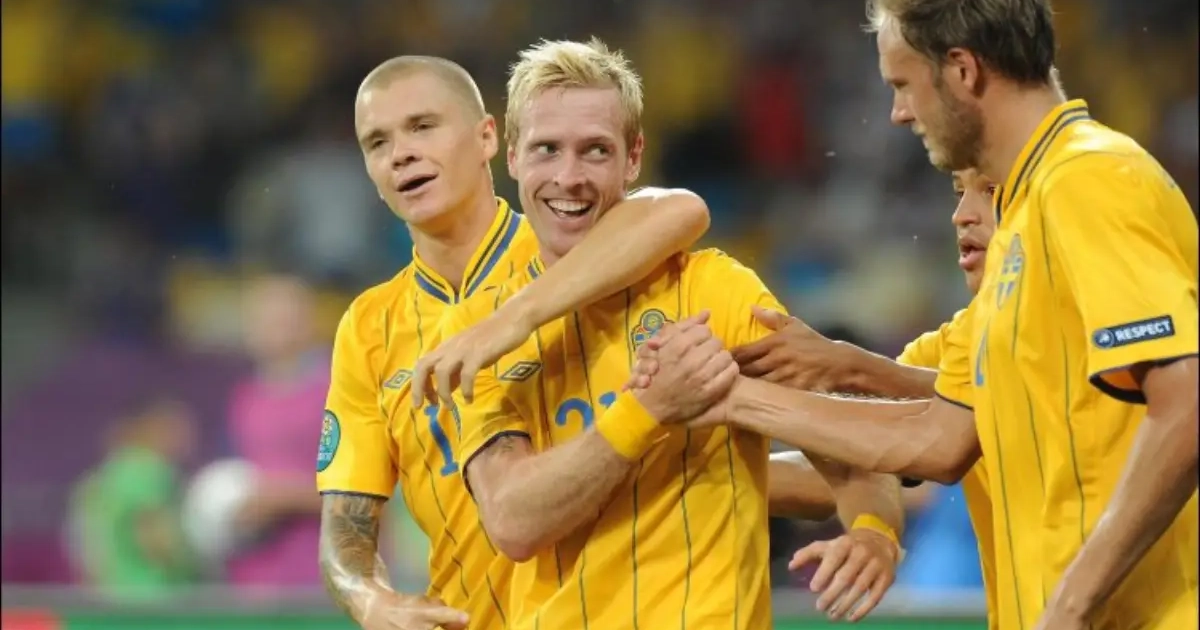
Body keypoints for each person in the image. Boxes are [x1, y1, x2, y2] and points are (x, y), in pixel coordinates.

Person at [638, 2, 1199, 629]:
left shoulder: (1087, 177)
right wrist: (740, 404)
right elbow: (942, 437)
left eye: (903, 84)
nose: (899, 112)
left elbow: (1187, 400)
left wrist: (1070, 605)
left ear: (961, 70)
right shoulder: (1025, 219)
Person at [432, 38, 903, 630]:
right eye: (547, 149)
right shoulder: (478, 330)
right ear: (512, 158)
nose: (569, 177)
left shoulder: (714, 288)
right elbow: (514, 522)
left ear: (633, 159)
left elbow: (851, 451)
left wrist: (874, 532)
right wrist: (649, 409)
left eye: (596, 151)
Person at [315, 56, 712, 630]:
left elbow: (678, 209)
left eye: (423, 127)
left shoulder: (575, 247)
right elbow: (345, 523)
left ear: (488, 139)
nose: (400, 153)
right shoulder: (368, 327)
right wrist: (369, 598)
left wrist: (512, 320)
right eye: (378, 142)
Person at [731, 169, 1000, 627]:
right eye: (958, 193)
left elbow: (949, 435)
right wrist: (680, 478)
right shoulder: (960, 340)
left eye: (990, 192)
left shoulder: (1071, 321)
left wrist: (743, 397)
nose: (961, 215)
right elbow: (867, 461)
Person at [225, 273, 327, 589]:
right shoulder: (245, 399)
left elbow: (369, 493)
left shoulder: (338, 392)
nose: (275, 332)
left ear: (308, 325)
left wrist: (285, 498)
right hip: (256, 578)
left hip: (322, 576)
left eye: (286, 321)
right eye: (265, 322)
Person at [67, 398, 199, 602]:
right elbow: (157, 541)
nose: (186, 436)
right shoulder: (147, 472)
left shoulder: (101, 478)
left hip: (111, 599)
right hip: (153, 600)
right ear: (149, 426)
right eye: (175, 426)